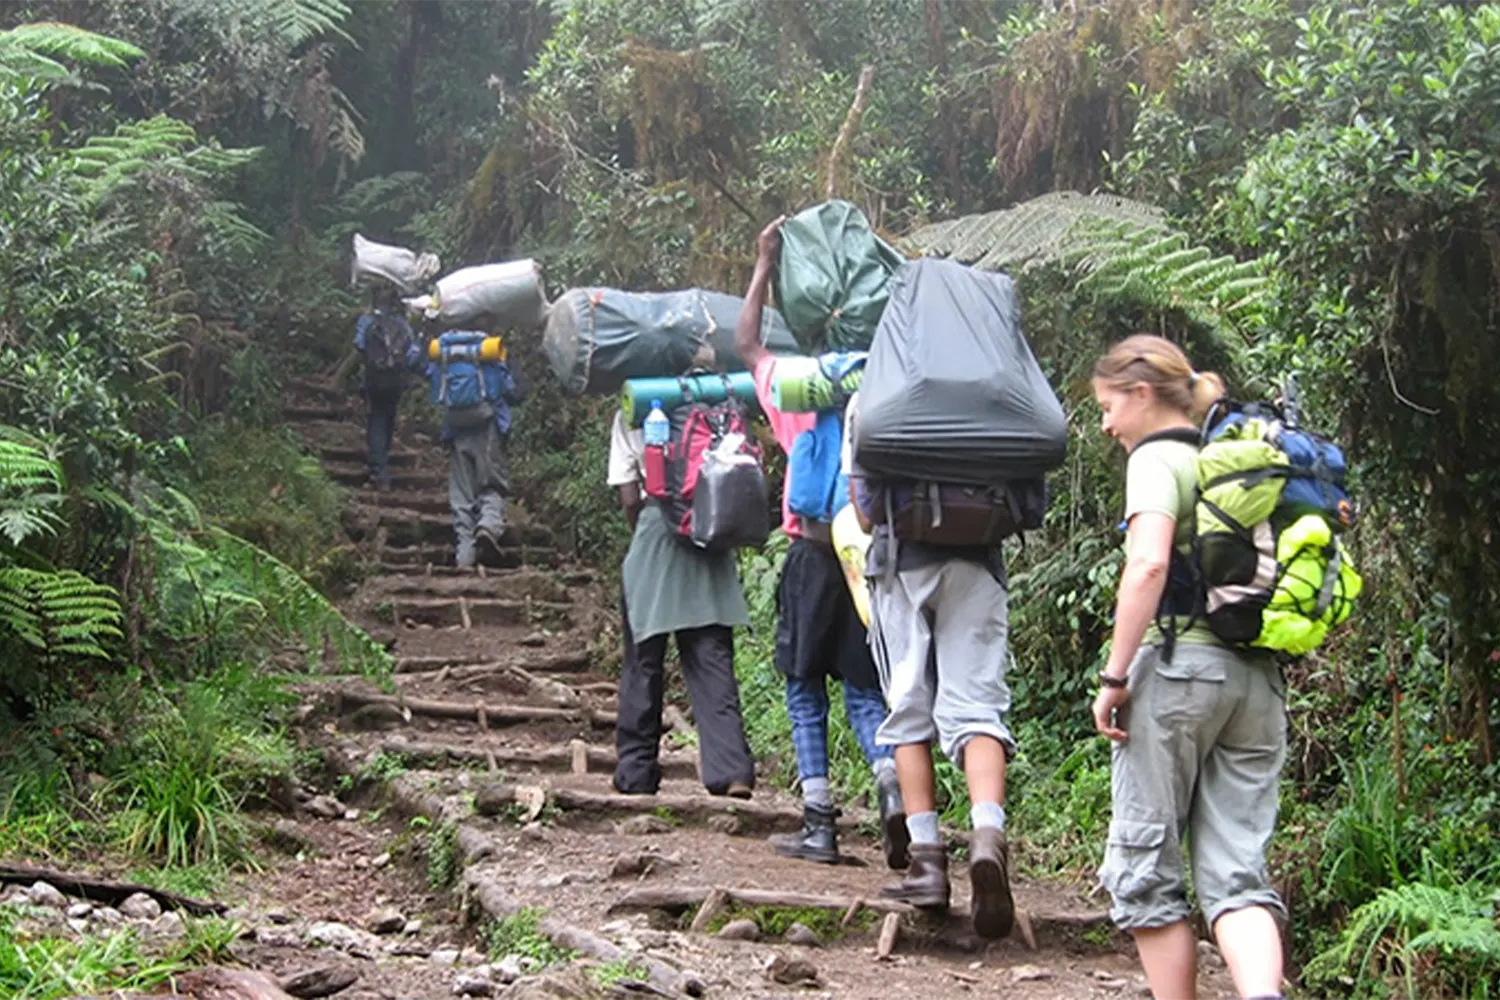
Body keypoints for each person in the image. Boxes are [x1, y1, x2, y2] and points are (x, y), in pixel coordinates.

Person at [1090, 334, 1288, 1000]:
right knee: (1238, 875)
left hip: (1179, 672)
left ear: (1142, 394)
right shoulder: (1240, 454)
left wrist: (1115, 676)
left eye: (1109, 406)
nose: (1106, 424)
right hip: (1257, 683)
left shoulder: (1158, 460)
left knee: (1147, 867)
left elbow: (1147, 564)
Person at [734, 218, 906, 870]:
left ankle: (820, 823)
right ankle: (892, 789)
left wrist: (763, 261)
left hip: (811, 553)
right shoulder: (887, 388)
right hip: (868, 558)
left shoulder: (801, 385)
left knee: (803, 685)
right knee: (865, 691)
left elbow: (747, 345)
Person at [843, 389, 1017, 939]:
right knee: (979, 708)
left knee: (908, 709)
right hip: (980, 564)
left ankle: (928, 862)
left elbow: (866, 513)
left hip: (903, 561)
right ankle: (988, 840)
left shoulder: (876, 390)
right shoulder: (995, 385)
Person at [607, 409, 757, 799]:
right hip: (710, 533)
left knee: (643, 660)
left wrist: (653, 525)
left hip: (657, 531)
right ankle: (732, 771)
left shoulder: (634, 406)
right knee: (712, 661)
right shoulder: (720, 402)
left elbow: (627, 493)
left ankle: (635, 771)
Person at [422, 330, 523, 569]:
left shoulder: (446, 350)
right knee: (491, 484)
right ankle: (488, 526)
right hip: (488, 427)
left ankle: (464, 556)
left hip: (457, 429)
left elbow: (431, 381)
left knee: (462, 494)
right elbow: (515, 392)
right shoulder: (490, 350)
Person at [353, 285, 415, 490]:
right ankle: (381, 461)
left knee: (376, 419)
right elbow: (412, 351)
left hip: (374, 379)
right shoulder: (402, 323)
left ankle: (379, 471)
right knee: (388, 417)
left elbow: (360, 345)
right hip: (396, 380)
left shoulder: (366, 321)